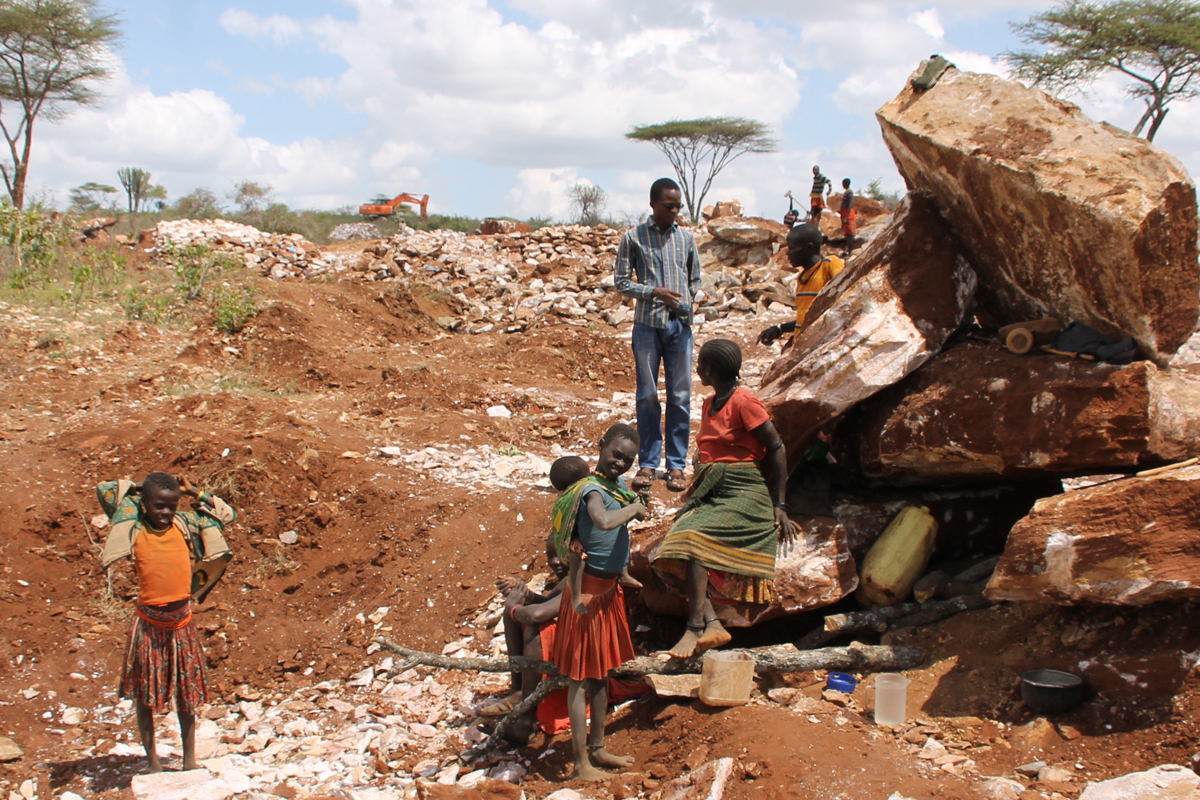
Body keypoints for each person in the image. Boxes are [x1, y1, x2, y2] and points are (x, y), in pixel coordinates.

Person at [651, 340, 799, 658]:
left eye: (700, 364)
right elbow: (712, 443)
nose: (697, 369)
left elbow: (776, 448)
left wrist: (780, 505)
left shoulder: (745, 402)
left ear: (710, 370)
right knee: (676, 541)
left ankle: (694, 629)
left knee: (691, 540)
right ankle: (713, 626)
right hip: (710, 488)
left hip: (743, 491)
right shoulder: (709, 403)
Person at [97, 472, 236, 773]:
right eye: (159, 505)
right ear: (144, 503)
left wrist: (193, 492)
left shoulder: (186, 524)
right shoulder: (133, 527)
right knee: (145, 697)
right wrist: (140, 488)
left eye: (172, 506)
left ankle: (189, 760)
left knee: (187, 695)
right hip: (148, 624)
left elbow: (227, 513)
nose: (166, 512)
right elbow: (106, 492)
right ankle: (153, 763)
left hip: (181, 622)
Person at [551, 424, 647, 781]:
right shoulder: (592, 490)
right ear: (601, 446)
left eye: (628, 460)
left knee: (602, 674)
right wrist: (633, 510)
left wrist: (634, 500)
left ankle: (598, 748)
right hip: (586, 597)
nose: (620, 463)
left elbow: (616, 525)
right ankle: (580, 764)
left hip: (607, 593)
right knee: (579, 679)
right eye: (616, 454)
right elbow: (604, 521)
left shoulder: (614, 487)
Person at [614, 177, 701, 494]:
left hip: (680, 327)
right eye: (669, 206)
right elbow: (621, 282)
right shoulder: (633, 238)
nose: (675, 211)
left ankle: (676, 465)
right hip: (647, 326)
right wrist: (655, 292)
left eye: (678, 206)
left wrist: (687, 304)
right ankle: (648, 463)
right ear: (653, 204)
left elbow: (695, 279)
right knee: (648, 396)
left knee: (680, 396)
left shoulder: (686, 239)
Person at [757, 224, 845, 345]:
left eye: (792, 248)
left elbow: (844, 301)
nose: (787, 253)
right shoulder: (802, 277)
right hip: (803, 344)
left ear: (809, 248)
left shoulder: (830, 264)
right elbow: (805, 319)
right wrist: (779, 329)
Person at [838, 178, 857, 252]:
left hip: (848, 214)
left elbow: (850, 205)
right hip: (845, 213)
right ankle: (848, 249)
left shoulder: (850, 192)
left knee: (850, 234)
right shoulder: (846, 192)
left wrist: (846, 217)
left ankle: (850, 250)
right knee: (847, 233)